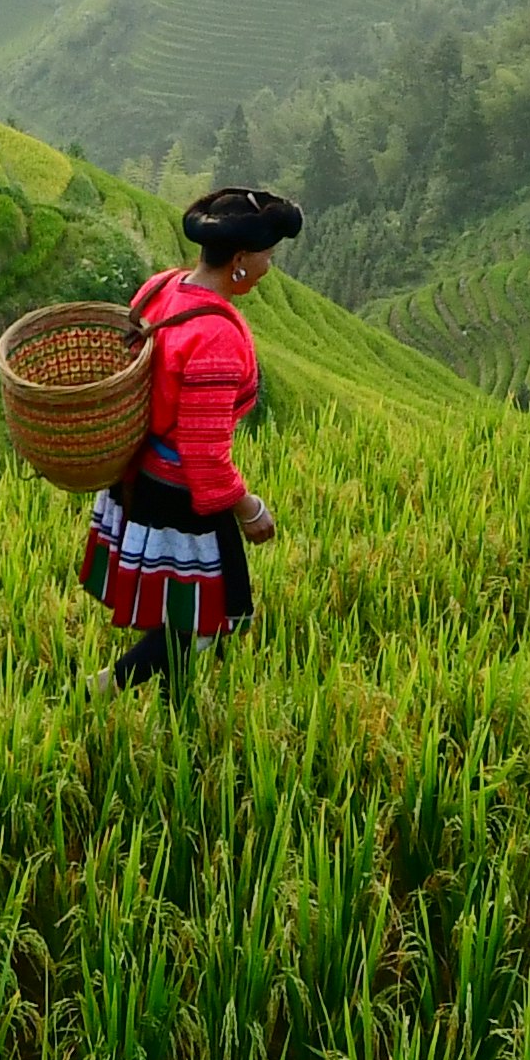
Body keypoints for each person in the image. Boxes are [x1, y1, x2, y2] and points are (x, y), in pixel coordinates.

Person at [81, 187, 303, 694]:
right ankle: (99, 690)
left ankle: (175, 717)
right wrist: (249, 509)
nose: (270, 265)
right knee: (206, 618)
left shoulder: (160, 288)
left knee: (182, 613)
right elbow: (203, 456)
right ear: (241, 261)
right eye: (267, 256)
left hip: (138, 475)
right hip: (177, 496)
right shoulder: (216, 337)